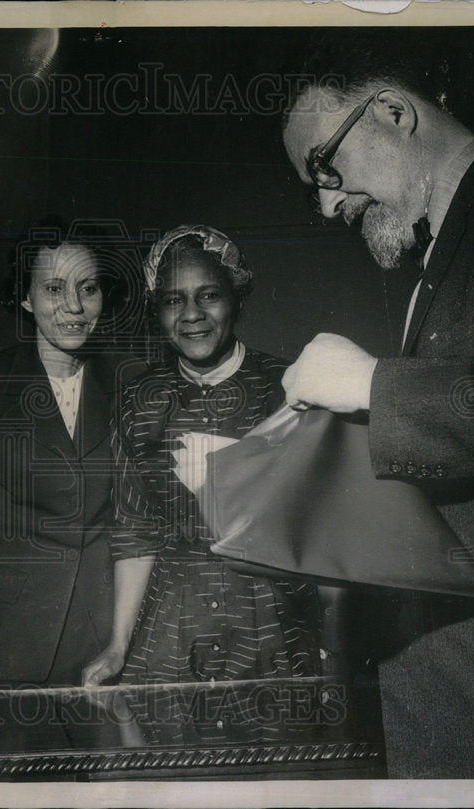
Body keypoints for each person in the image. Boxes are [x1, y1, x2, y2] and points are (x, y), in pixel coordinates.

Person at [280, 41, 474, 778]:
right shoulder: (446, 247)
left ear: (392, 112)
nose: (327, 201)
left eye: (325, 164)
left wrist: (373, 386)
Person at [82, 226, 323, 725]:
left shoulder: (290, 390)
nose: (191, 314)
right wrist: (118, 645)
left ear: (236, 297)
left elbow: (321, 531)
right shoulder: (138, 401)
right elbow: (135, 531)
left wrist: (333, 648)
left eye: (209, 295)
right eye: (173, 300)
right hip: (172, 626)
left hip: (272, 622)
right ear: (157, 310)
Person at [0, 217, 138, 688]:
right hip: (4, 640)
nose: (74, 306)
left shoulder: (127, 388)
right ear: (25, 298)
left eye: (88, 287)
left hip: (102, 642)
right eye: (54, 288)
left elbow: (137, 523)